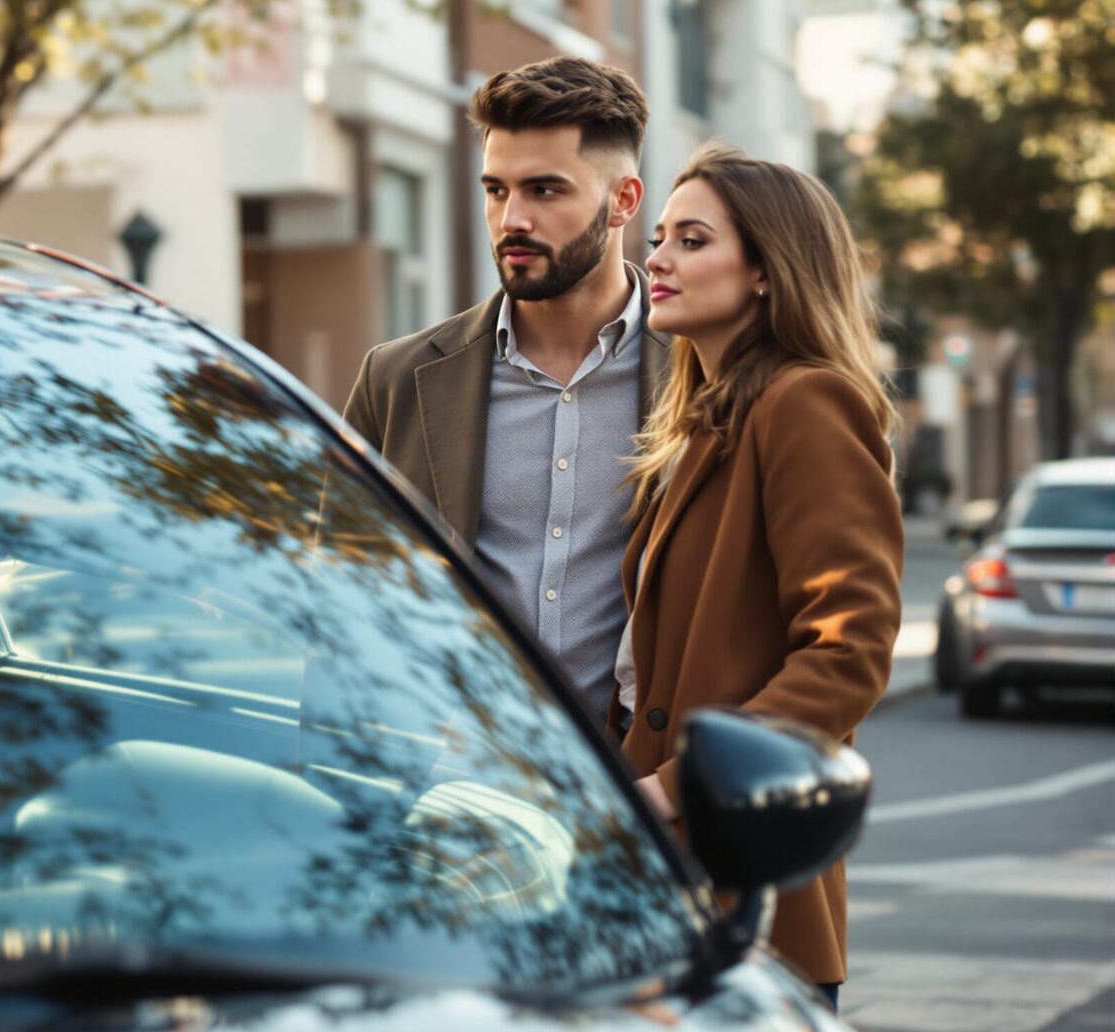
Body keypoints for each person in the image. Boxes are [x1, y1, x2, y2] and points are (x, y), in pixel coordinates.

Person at [614, 141, 904, 1009]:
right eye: (659, 238)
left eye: (692, 240)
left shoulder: (804, 401)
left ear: (768, 271)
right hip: (664, 885)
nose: (657, 259)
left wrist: (678, 791)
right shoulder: (705, 424)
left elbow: (849, 648)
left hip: (744, 891)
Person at [343, 56, 668, 721]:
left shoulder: (707, 377)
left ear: (623, 201)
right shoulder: (395, 382)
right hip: (448, 766)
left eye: (544, 190)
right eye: (496, 190)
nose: (511, 218)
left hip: (633, 771)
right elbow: (338, 598)